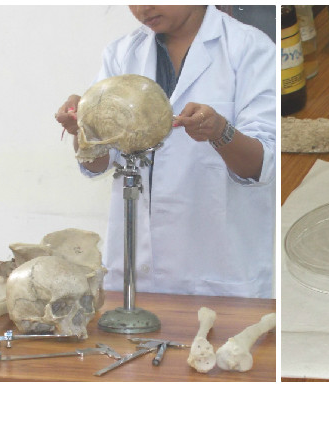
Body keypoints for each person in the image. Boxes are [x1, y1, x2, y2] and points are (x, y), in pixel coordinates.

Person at [55, 5, 276, 298]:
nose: (143, 7)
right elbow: (98, 164)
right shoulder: (123, 53)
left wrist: (220, 132)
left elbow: (261, 166)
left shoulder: (249, 48)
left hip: (220, 270)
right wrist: (83, 129)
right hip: (136, 274)